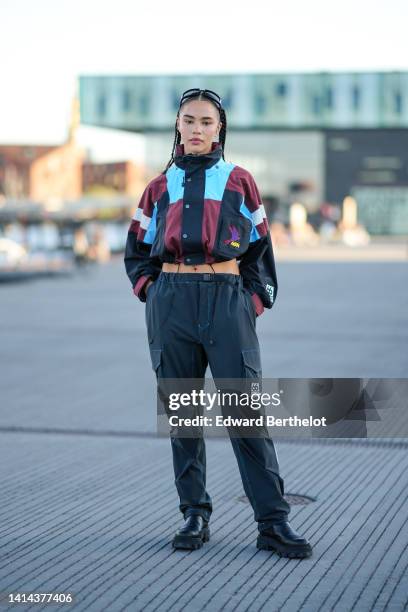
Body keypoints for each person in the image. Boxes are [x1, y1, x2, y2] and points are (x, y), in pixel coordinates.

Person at [124, 88, 312, 558]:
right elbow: (136, 251)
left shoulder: (239, 181)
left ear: (219, 129)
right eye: (189, 120)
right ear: (178, 126)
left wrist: (249, 304)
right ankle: (194, 514)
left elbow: (261, 252)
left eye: (207, 122)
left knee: (245, 413)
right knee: (183, 415)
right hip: (172, 305)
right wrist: (153, 293)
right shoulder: (158, 186)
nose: (197, 129)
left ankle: (272, 522)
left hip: (227, 302)